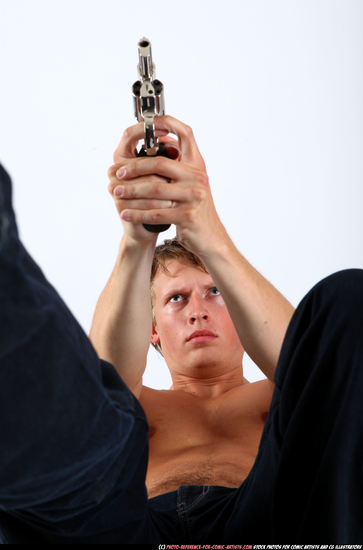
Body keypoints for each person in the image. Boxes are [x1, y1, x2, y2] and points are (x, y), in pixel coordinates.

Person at [0, 116, 362, 544]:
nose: (197, 311)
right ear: (152, 329)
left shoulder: (285, 395)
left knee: (348, 298)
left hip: (275, 525)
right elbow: (99, 386)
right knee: (83, 407)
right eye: (176, 298)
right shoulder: (136, 409)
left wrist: (203, 228)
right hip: (128, 533)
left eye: (214, 292)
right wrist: (137, 238)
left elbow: (315, 367)